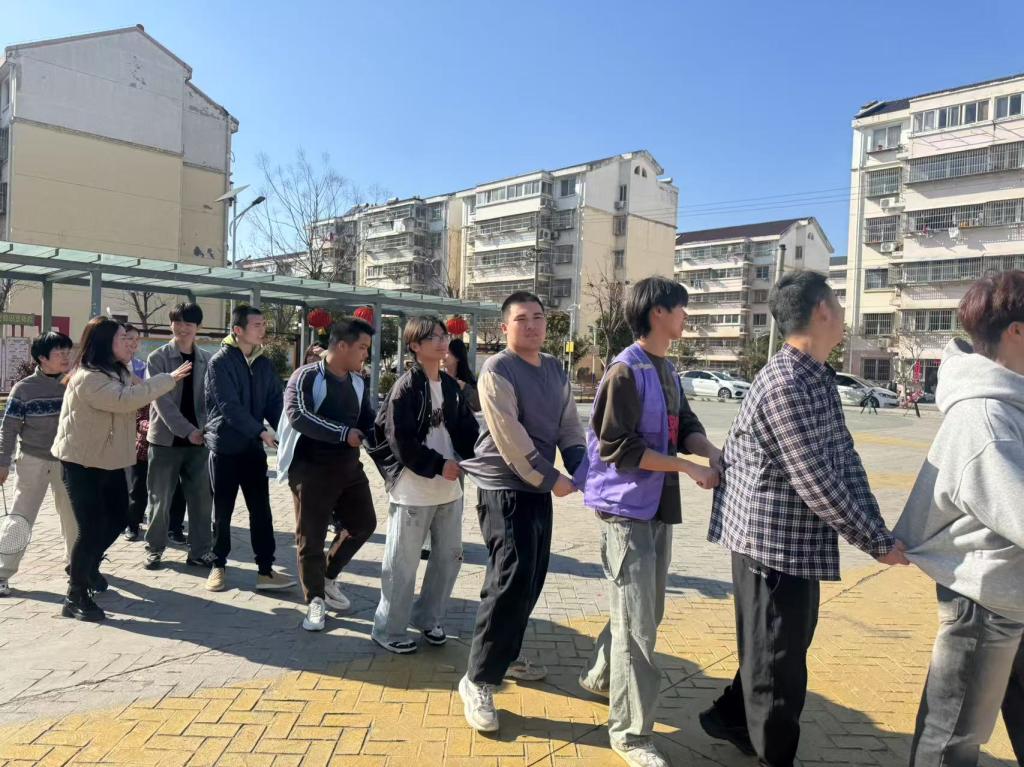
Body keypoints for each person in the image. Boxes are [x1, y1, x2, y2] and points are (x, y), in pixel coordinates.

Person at [701, 271, 908, 766]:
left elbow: (844, 461)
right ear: (821, 311)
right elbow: (815, 478)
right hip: (769, 546)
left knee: (778, 649)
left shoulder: (816, 377)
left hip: (794, 545)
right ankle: (772, 753)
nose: (842, 314)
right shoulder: (786, 383)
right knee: (779, 668)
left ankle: (731, 718)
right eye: (838, 302)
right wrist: (875, 542)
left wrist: (879, 529)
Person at [579, 277, 722, 767]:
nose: (686, 316)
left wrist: (709, 451)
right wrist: (686, 467)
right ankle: (630, 734)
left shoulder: (667, 369)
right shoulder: (625, 371)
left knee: (641, 614)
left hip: (656, 509)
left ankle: (601, 677)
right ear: (657, 312)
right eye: (681, 308)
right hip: (626, 514)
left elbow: (686, 424)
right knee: (638, 628)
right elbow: (619, 448)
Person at [894, 271, 1024, 767]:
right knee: (951, 739)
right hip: (986, 604)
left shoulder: (1009, 404)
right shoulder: (986, 418)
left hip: (1008, 597)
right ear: (1016, 331)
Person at [457, 291, 586, 733]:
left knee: (530, 577)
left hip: (535, 489)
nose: (531, 325)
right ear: (504, 328)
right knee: (509, 580)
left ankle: (505, 656)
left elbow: (569, 426)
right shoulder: (498, 370)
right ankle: (478, 679)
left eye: (538, 317)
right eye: (521, 319)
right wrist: (552, 478)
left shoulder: (554, 369)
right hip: (503, 486)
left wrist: (584, 470)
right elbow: (510, 438)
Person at [52, 317, 189, 620]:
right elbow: (126, 400)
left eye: (130, 339)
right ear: (105, 343)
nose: (130, 344)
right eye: (122, 339)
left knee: (117, 518)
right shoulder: (88, 377)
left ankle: (85, 566)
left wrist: (157, 381)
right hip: (81, 463)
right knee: (90, 529)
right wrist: (167, 379)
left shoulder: (117, 371)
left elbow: (140, 391)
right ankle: (75, 595)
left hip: (109, 460)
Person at [368, 316, 479, 653]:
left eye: (444, 336)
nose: (442, 342)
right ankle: (388, 628)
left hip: (449, 488)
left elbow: (466, 430)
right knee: (402, 564)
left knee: (448, 559)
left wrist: (479, 457)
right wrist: (438, 464)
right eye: (433, 337)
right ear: (415, 346)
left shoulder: (450, 387)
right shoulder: (405, 388)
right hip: (413, 490)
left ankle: (428, 618)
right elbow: (400, 441)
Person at [276, 317, 376, 631]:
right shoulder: (306, 376)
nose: (366, 354)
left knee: (363, 524)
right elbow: (299, 415)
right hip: (311, 469)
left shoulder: (358, 381)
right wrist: (343, 433)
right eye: (362, 347)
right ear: (342, 345)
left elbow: (369, 422)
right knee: (311, 538)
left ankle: (328, 576)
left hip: (349, 467)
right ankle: (315, 601)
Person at [204, 305, 293, 593]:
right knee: (223, 511)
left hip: (252, 449)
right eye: (256, 325)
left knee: (261, 511)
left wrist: (287, 433)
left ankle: (266, 571)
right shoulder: (220, 362)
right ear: (238, 330)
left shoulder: (263, 363)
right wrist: (261, 432)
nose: (262, 329)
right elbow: (228, 406)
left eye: (263, 324)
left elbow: (275, 402)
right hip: (225, 447)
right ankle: (218, 565)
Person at [0, 332, 77, 596]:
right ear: (42, 358)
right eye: (59, 353)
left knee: (73, 517)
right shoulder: (24, 389)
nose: (66, 357)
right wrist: (2, 462)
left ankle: (78, 567)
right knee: (20, 518)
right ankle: (2, 573)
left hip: (67, 461)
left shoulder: (73, 383)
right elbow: (8, 428)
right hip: (33, 461)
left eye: (68, 351)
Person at [142, 303, 213, 571]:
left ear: (197, 327)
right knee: (159, 499)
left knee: (201, 501)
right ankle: (154, 549)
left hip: (200, 442)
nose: (182, 328)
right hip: (165, 442)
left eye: (188, 324)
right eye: (178, 323)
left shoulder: (207, 359)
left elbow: (211, 399)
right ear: (171, 324)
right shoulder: (157, 358)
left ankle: (200, 551)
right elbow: (161, 401)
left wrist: (204, 430)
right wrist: (187, 431)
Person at [444, 337, 481, 413]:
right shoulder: (438, 378)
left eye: (447, 353)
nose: (443, 356)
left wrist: (464, 387)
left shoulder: (467, 381)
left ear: (457, 357)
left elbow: (478, 405)